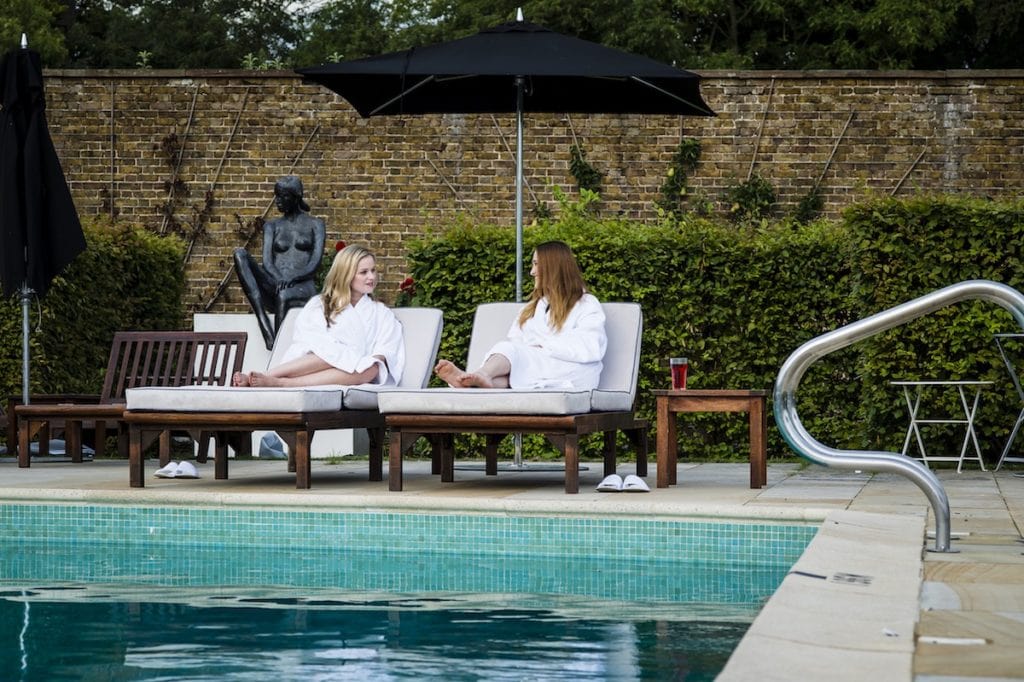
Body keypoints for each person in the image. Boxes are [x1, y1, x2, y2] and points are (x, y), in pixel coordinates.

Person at [435, 241, 606, 390]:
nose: (532, 272)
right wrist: (529, 352)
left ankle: (480, 374)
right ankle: (473, 381)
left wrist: (542, 346)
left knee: (512, 354)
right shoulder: (533, 307)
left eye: (537, 264)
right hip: (538, 366)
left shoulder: (586, 304)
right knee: (513, 370)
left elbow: (591, 345)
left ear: (553, 267)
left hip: (573, 371)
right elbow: (515, 343)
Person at [233, 244, 405, 387]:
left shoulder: (381, 313)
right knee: (331, 352)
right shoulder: (320, 304)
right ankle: (266, 375)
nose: (371, 277)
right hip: (318, 364)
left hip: (354, 373)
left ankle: (283, 384)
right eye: (364, 272)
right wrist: (341, 353)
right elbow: (310, 339)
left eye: (373, 271)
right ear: (346, 274)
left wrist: (357, 359)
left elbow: (385, 350)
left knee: (372, 368)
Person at [234, 175, 326, 349]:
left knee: (284, 295)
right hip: (276, 283)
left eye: (282, 196)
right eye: (276, 196)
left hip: (303, 284)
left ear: (296, 197)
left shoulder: (316, 224)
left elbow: (315, 263)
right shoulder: (272, 226)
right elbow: (267, 262)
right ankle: (263, 322)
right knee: (240, 254)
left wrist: (293, 278)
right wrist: (279, 279)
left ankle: (278, 348)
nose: (277, 201)